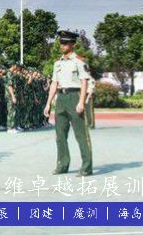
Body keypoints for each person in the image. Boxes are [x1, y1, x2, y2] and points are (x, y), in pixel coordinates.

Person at [43, 30, 93, 177]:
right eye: (61, 42)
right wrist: (48, 103)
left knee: (81, 135)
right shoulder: (57, 63)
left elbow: (84, 82)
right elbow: (54, 83)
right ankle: (62, 164)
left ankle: (86, 167)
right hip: (61, 99)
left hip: (74, 96)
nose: (62, 45)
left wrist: (81, 102)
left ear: (72, 44)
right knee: (60, 135)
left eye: (65, 43)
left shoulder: (79, 61)